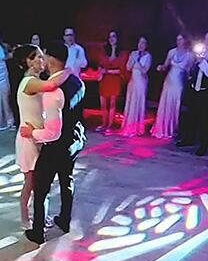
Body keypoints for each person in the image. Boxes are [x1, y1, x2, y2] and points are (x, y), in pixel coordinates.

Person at [24, 41, 85, 245]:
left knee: (40, 189)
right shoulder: (78, 82)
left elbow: (52, 133)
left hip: (57, 147)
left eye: (45, 57)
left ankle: (38, 231)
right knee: (67, 181)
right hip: (75, 141)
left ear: (50, 60)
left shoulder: (53, 92)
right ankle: (64, 220)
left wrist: (33, 133)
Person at [11, 45, 71, 230]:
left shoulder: (35, 80)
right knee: (30, 182)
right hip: (28, 139)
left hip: (38, 137)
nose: (41, 59)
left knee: (41, 183)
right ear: (28, 61)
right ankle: (25, 218)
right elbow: (51, 85)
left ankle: (39, 217)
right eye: (37, 57)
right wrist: (67, 70)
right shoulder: (29, 82)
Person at [176, 29, 208, 156]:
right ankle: (189, 138)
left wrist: (202, 62)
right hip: (194, 89)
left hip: (205, 92)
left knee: (204, 119)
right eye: (206, 38)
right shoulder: (202, 54)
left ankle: (203, 145)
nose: (207, 41)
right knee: (191, 115)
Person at [152, 35, 193, 140]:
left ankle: (170, 129)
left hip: (178, 83)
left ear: (185, 40)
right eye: (177, 39)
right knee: (165, 103)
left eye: (181, 39)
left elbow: (189, 71)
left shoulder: (189, 55)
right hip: (169, 80)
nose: (178, 41)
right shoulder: (171, 52)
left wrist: (190, 76)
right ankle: (161, 128)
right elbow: (165, 65)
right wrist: (161, 67)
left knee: (174, 104)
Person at [119, 37, 153, 137]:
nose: (141, 45)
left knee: (139, 102)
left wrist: (137, 62)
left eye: (143, 43)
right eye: (140, 43)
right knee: (131, 102)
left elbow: (144, 70)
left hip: (141, 82)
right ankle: (128, 126)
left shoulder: (148, 56)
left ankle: (138, 128)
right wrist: (133, 60)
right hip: (132, 81)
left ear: (146, 45)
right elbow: (128, 67)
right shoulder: (133, 53)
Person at [97, 30, 125, 133]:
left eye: (113, 37)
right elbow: (101, 64)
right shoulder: (104, 51)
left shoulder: (122, 52)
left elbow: (120, 69)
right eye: (110, 37)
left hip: (114, 81)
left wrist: (107, 70)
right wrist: (102, 71)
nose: (111, 39)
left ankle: (110, 125)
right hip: (104, 80)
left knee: (112, 103)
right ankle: (104, 123)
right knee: (103, 104)